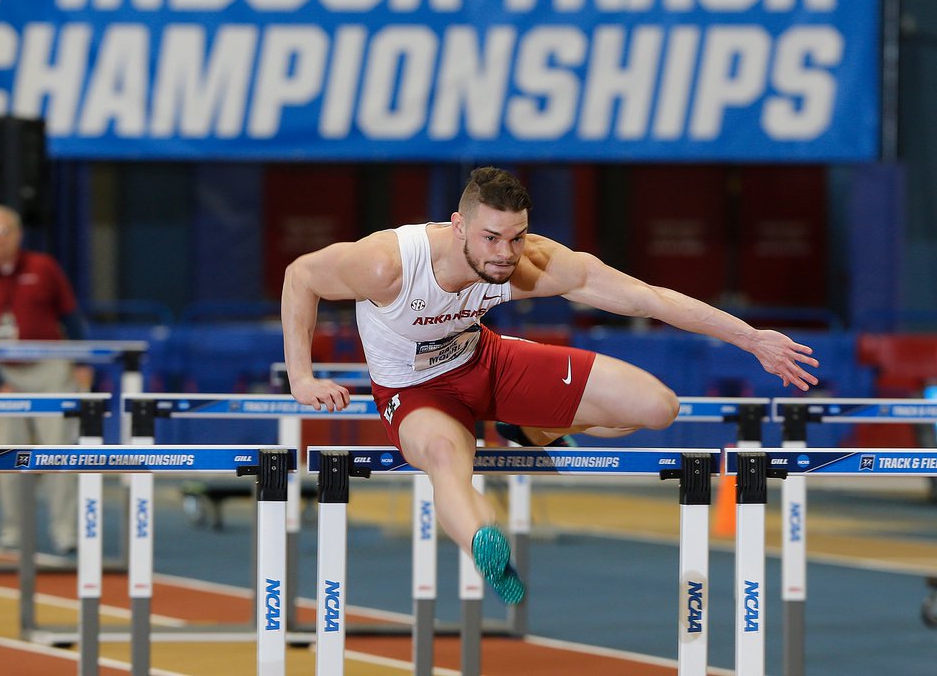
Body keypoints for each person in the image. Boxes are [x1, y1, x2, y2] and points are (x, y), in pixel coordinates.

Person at [281, 166, 819, 605]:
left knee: (658, 407)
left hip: (487, 362)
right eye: (491, 238)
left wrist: (751, 340)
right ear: (458, 226)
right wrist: (302, 377)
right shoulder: (388, 264)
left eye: (515, 238)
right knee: (447, 458)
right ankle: (486, 544)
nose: (504, 254)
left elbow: (647, 298)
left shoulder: (528, 262)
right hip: (414, 391)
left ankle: (530, 428)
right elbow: (300, 277)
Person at [0, 205, 91, 554]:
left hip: (50, 368)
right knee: (5, 453)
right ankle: (14, 529)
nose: (0, 241)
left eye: (6, 232)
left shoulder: (44, 268)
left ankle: (65, 530)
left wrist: (83, 362)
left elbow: (72, 318)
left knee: (60, 451)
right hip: (7, 373)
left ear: (18, 234)